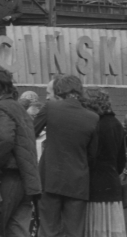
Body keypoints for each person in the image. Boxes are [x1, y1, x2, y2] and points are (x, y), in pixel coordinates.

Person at [33, 75, 99, 237]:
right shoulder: (93, 118)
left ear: (58, 91)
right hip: (78, 182)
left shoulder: (50, 109)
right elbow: (92, 155)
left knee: (48, 229)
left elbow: (30, 133)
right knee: (74, 232)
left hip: (50, 179)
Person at [0, 66, 41, 236]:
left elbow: (4, 139)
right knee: (17, 228)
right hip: (26, 179)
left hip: (9, 177)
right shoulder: (16, 107)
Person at [84, 88, 127, 237]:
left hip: (94, 184)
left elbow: (90, 156)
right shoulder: (117, 124)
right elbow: (122, 160)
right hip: (112, 183)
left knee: (95, 229)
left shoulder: (93, 124)